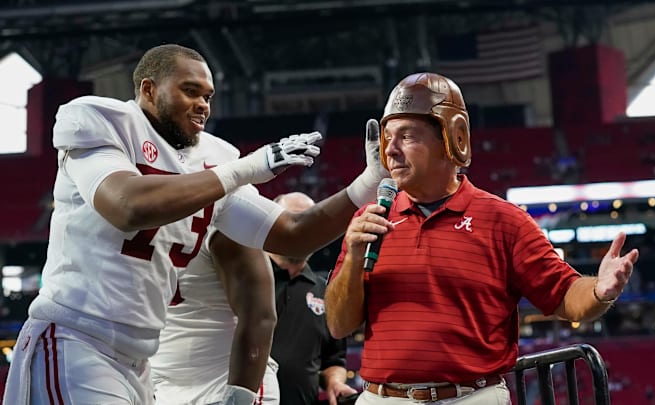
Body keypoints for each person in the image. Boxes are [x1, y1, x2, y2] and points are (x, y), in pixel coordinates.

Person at [3, 43, 388, 405]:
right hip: (77, 336)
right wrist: (248, 168)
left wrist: (365, 184)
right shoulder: (101, 120)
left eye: (208, 96)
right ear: (149, 90)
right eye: (190, 91)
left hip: (141, 358)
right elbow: (126, 206)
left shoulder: (214, 157)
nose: (203, 105)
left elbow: (292, 234)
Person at [325, 72, 640, 405]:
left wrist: (598, 290)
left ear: (451, 139)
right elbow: (338, 324)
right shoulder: (368, 221)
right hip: (381, 398)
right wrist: (357, 256)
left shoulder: (505, 221)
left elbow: (563, 294)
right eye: (387, 137)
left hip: (471, 397)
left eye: (407, 136)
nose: (391, 150)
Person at [151, 205, 280, 405]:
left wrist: (240, 396)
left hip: (222, 385)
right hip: (162, 386)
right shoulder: (137, 213)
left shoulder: (223, 216)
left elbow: (259, 317)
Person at [268, 192, 357, 405]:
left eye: (309, 222)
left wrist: (334, 382)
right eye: (293, 220)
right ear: (270, 224)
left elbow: (333, 359)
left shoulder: (327, 292)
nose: (301, 229)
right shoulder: (244, 280)